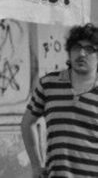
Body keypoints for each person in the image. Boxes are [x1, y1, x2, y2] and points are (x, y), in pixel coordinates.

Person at [22, 23, 98, 177]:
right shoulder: (49, 84)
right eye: (76, 47)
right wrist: (36, 166)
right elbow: (27, 123)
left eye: (89, 49)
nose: (81, 53)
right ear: (69, 52)